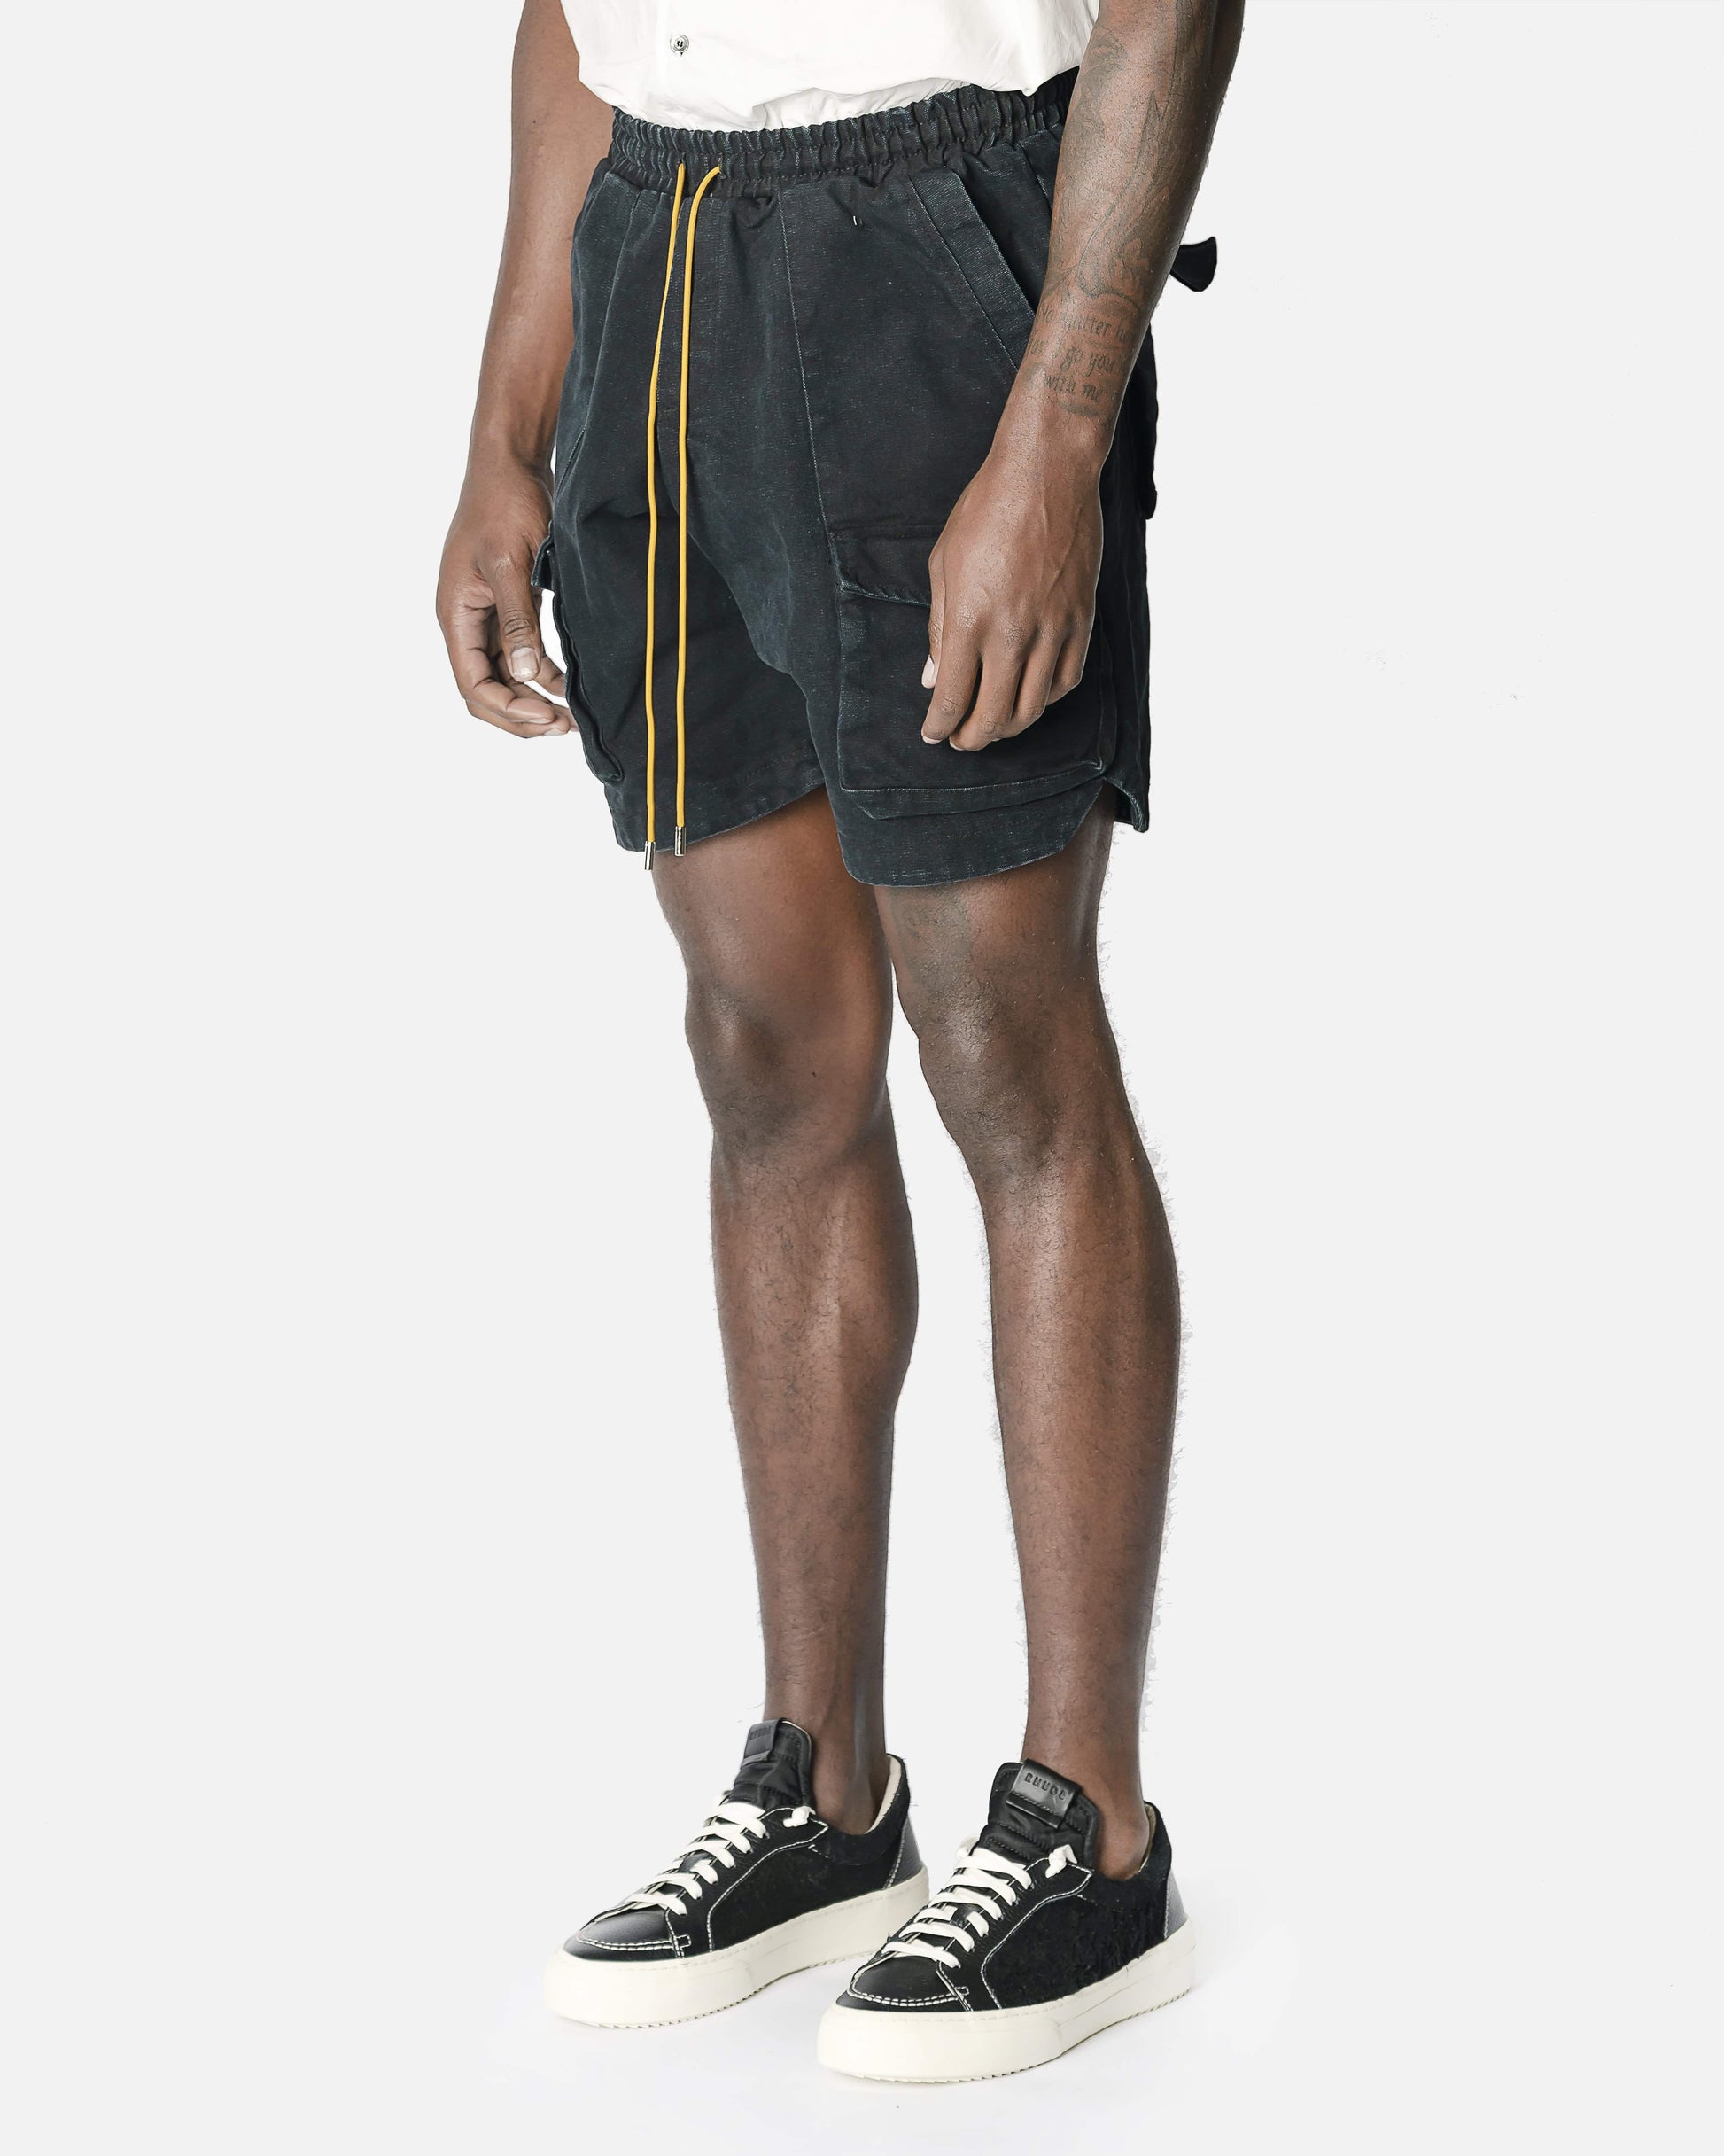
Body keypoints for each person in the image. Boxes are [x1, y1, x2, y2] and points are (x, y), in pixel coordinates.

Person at [437, 0, 1242, 2084]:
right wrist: (506, 428)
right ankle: (823, 1789)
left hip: (938, 238)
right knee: (765, 1055)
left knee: (1005, 1050)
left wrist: (1055, 432)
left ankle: (1089, 1826)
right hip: (654, 255)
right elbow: (569, 21)